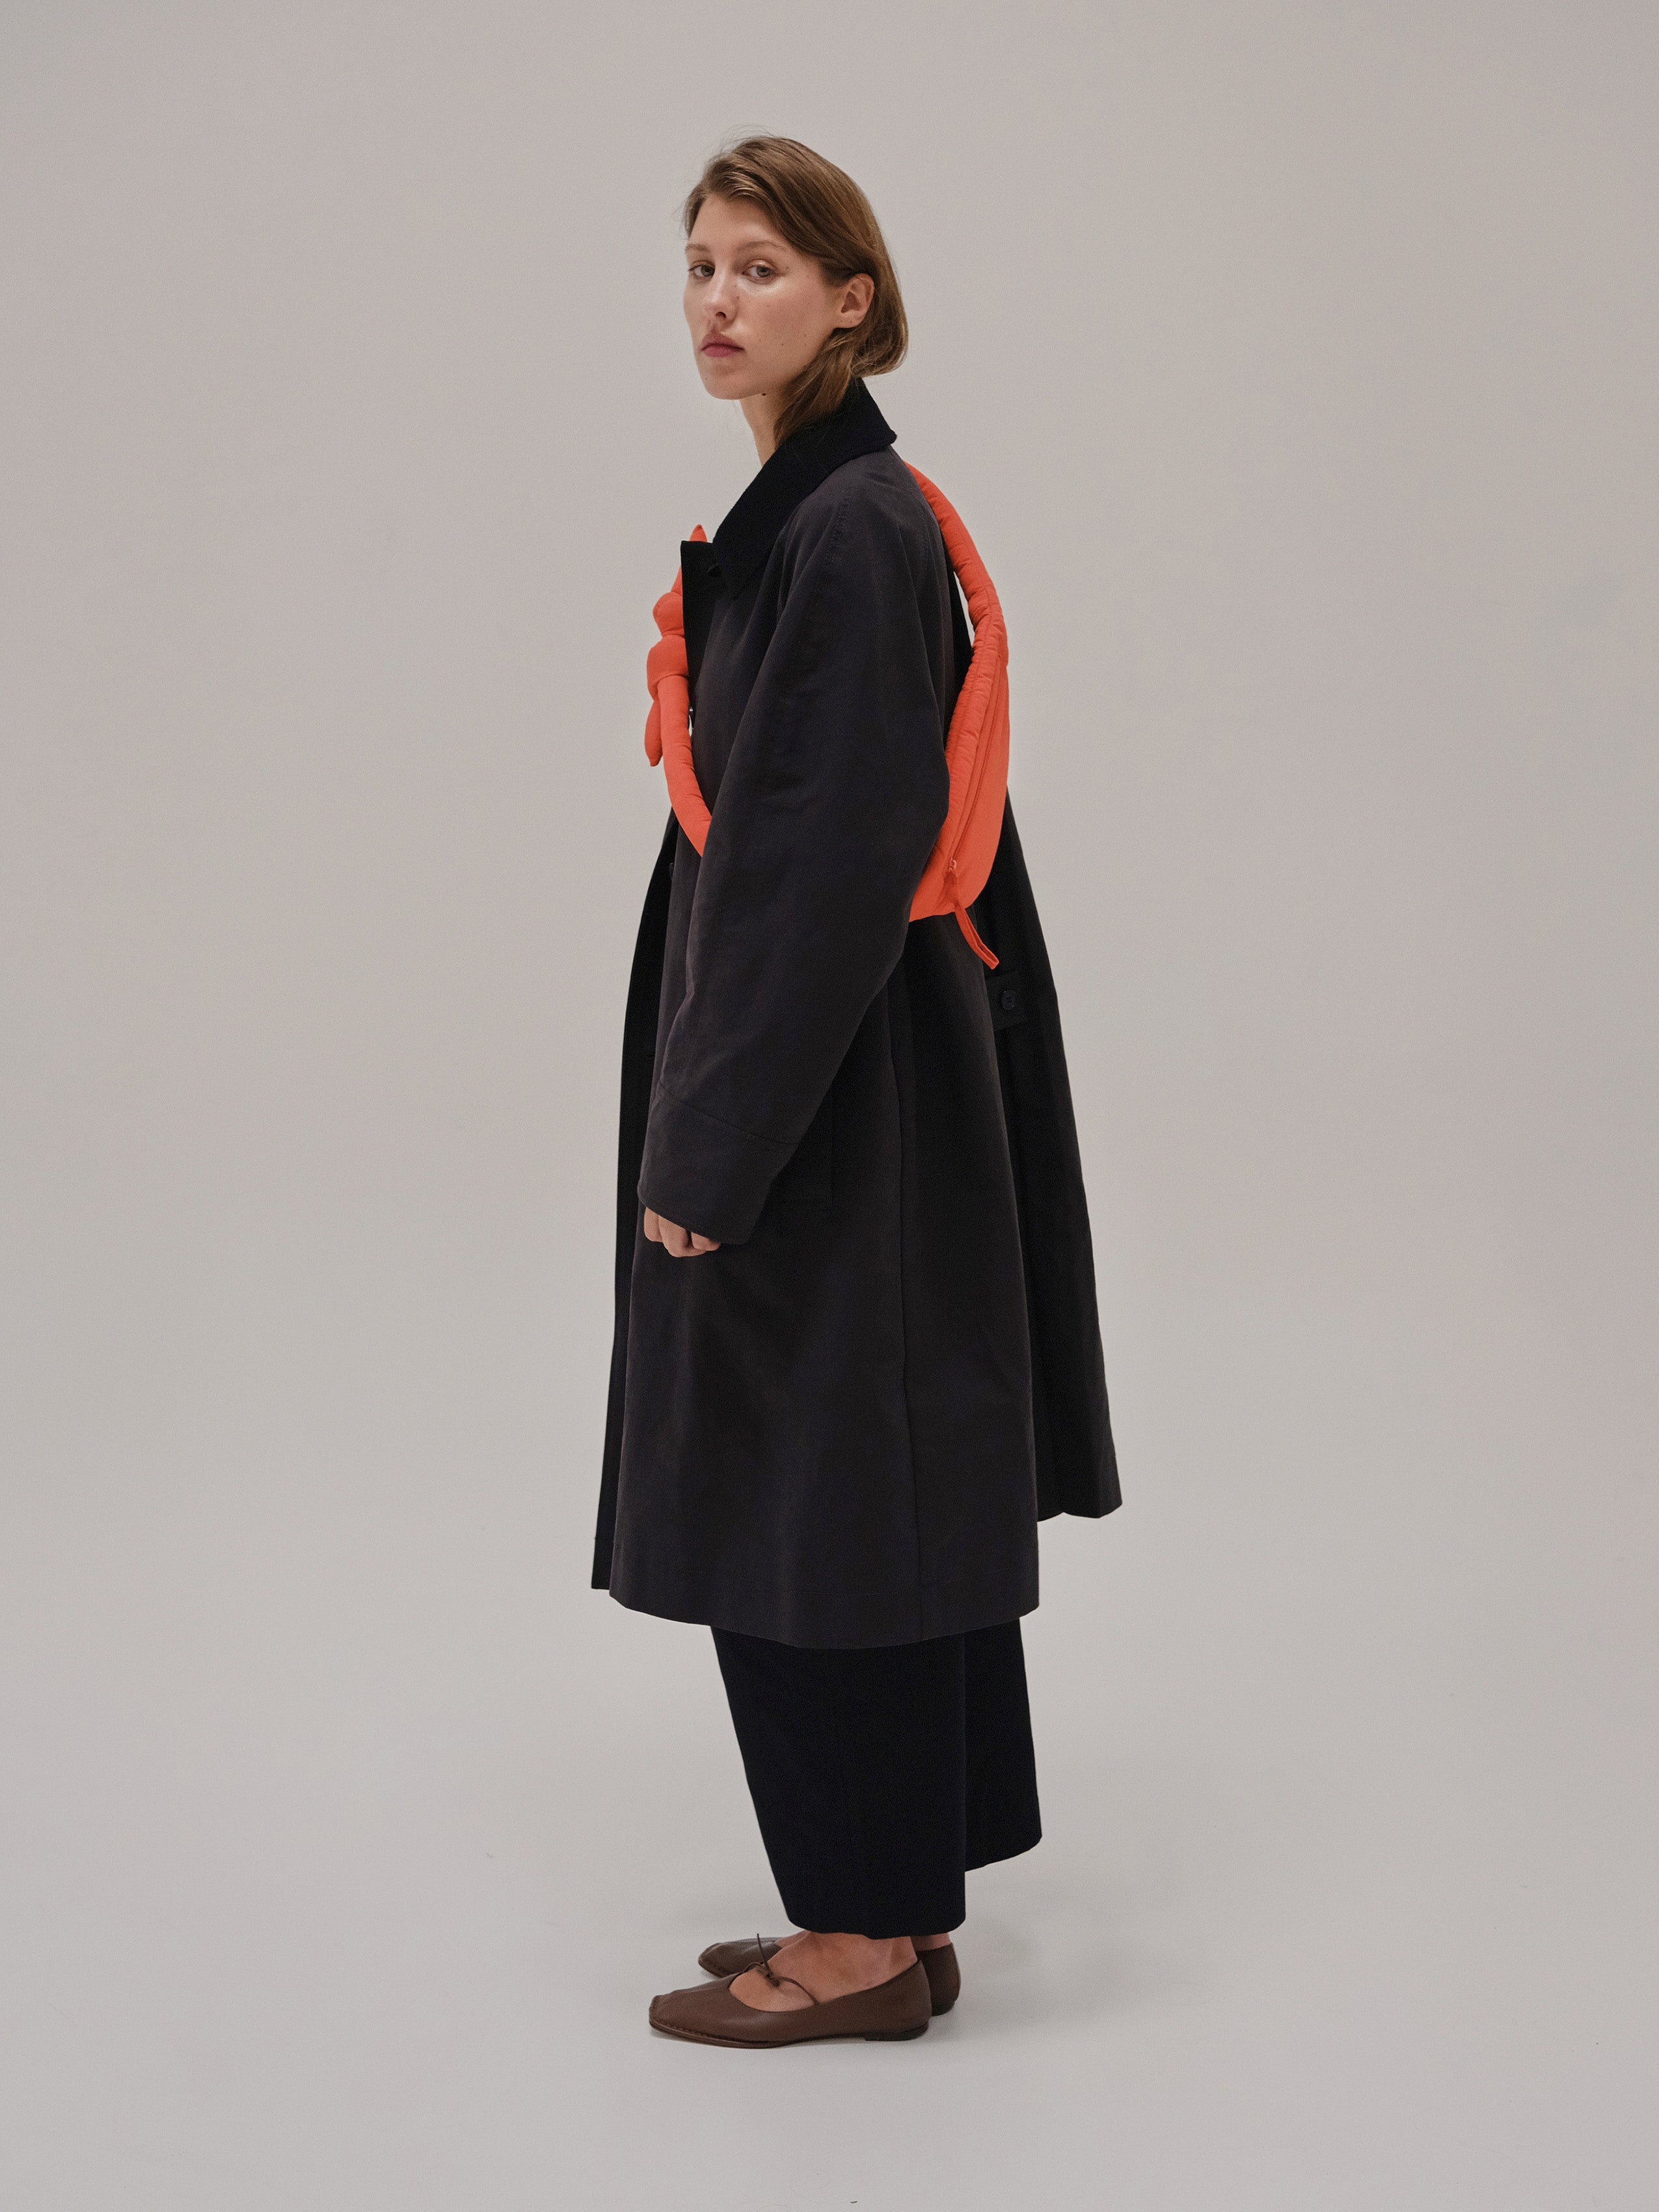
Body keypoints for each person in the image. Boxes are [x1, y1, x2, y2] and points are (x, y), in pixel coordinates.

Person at [591, 135, 1120, 2049]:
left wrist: (708, 1150)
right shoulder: (832, 514)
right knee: (864, 1480)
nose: (718, 300)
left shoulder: (850, 530)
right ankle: (892, 1900)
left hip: (831, 1097)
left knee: (812, 1493)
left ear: (850, 300)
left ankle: (859, 1947)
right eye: (701, 265)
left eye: (761, 267)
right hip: (868, 1074)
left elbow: (815, 874)